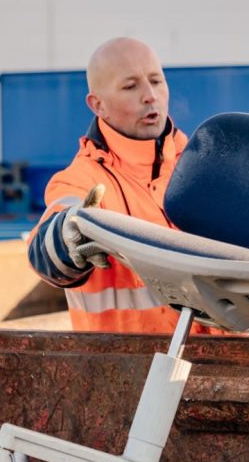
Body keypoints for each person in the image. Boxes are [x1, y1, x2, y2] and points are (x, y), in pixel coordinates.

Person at [27, 37, 196, 333]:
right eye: (130, 86)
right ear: (98, 105)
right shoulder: (83, 179)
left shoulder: (201, 166)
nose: (150, 96)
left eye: (156, 81)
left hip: (221, 366)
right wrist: (68, 235)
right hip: (128, 373)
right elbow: (46, 250)